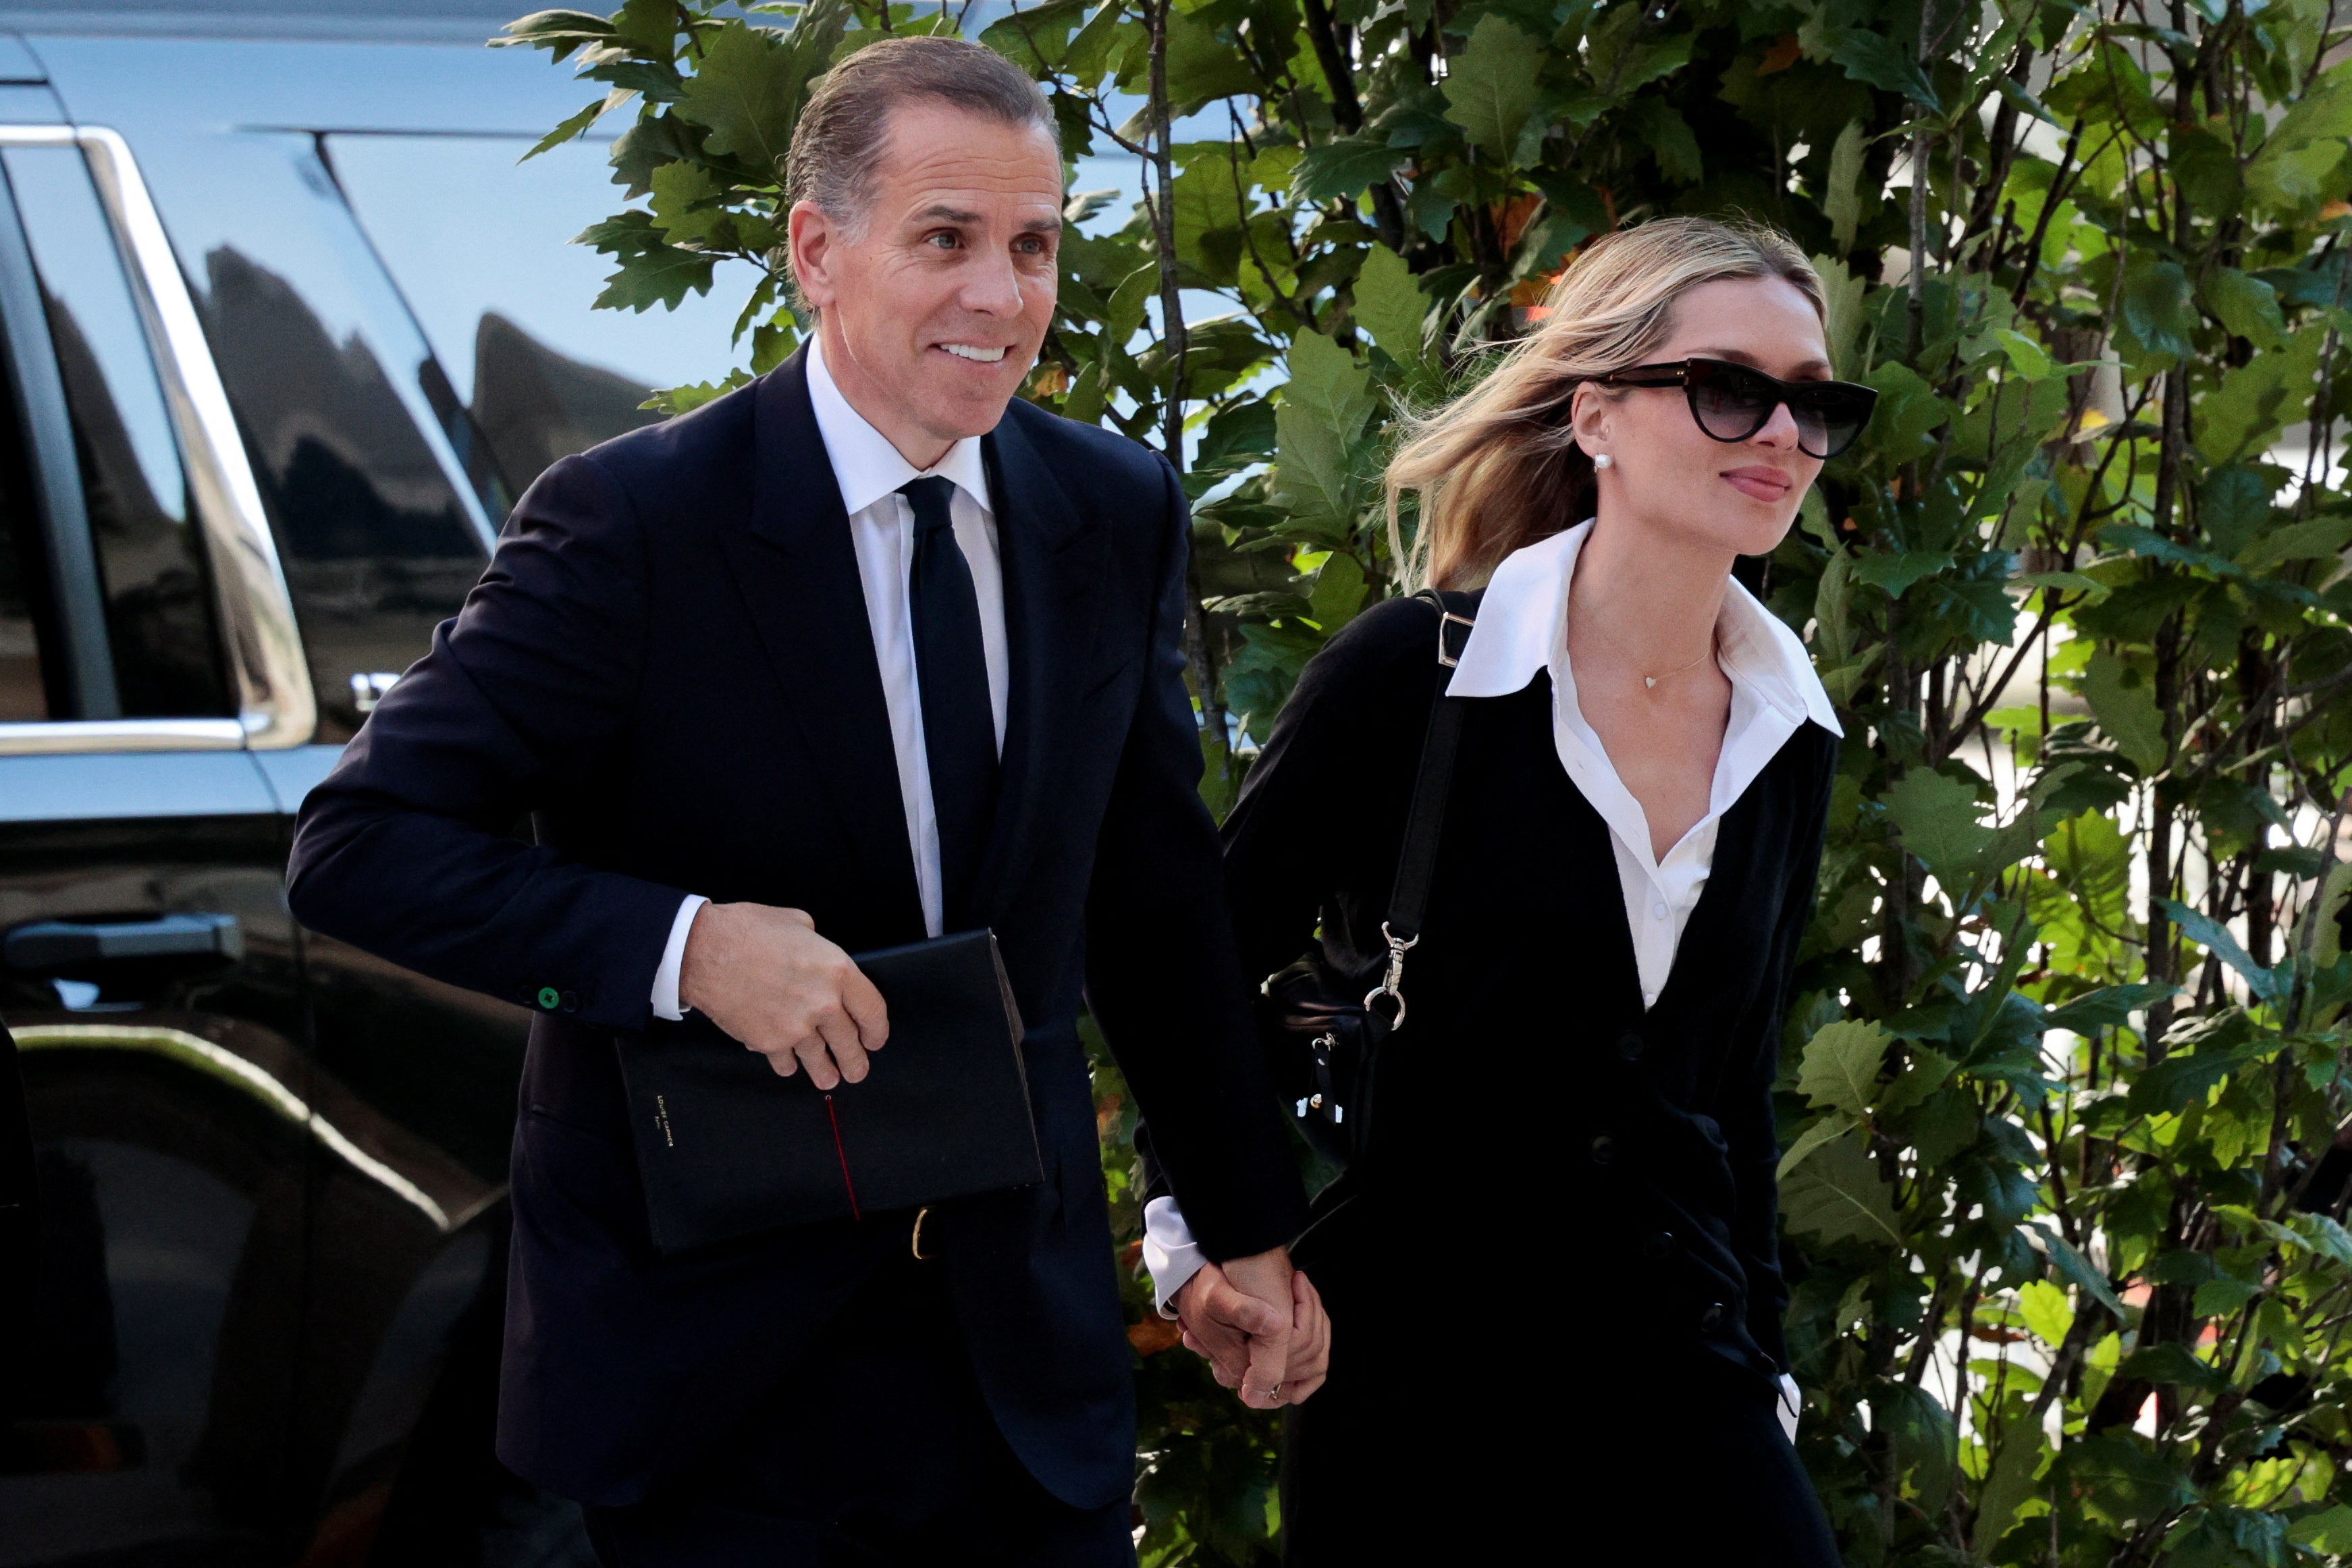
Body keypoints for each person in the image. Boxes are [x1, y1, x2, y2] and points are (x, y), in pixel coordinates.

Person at [286, 37, 1326, 1567]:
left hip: (1015, 1379)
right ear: (815, 251)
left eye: (1033, 245)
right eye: (946, 239)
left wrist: (1240, 1228)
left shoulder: (1109, 511)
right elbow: (355, 851)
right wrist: (684, 947)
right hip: (719, 1386)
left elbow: (1153, 907)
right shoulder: (634, 525)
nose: (1001, 294)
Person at [1144, 217, 1864, 1561]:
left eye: (1812, 400)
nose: (1778, 432)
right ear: (1595, 413)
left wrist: (1759, 1361)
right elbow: (1192, 968)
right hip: (1410, 1375)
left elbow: (1733, 1084)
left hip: (1680, 1364)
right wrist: (1202, 1244)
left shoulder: (1785, 728)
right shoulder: (1409, 678)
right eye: (1727, 387)